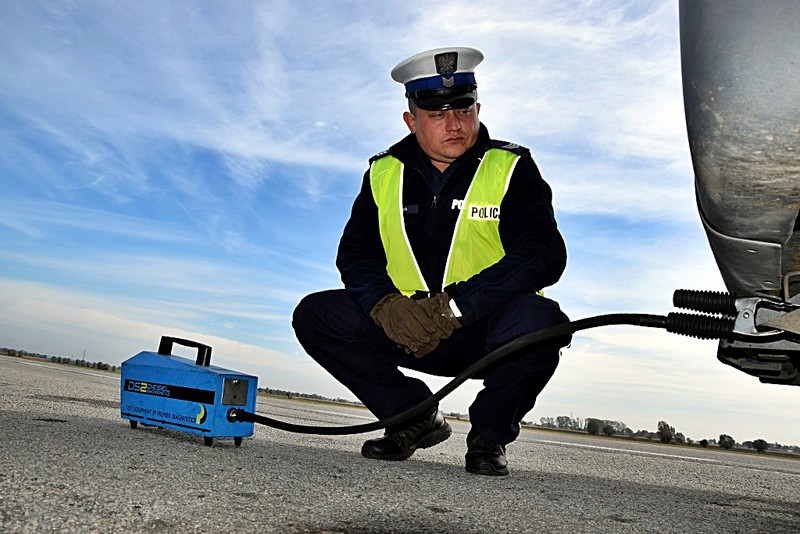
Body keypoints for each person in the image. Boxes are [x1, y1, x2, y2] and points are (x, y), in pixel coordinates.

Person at [293, 46, 569, 476]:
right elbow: (356, 253)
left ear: (477, 107)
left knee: (544, 322)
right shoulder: (383, 174)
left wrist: (456, 306)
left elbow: (543, 254)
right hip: (406, 326)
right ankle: (412, 416)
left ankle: (489, 436)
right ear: (411, 119)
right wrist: (385, 305)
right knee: (317, 315)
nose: (455, 124)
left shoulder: (511, 167)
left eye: (463, 109)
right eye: (438, 113)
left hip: (483, 331)